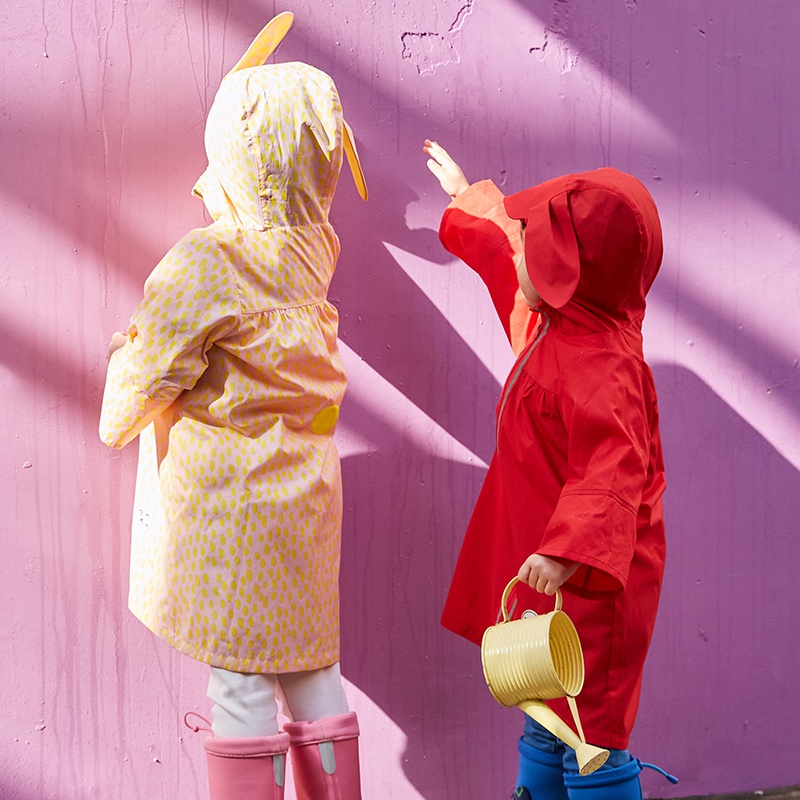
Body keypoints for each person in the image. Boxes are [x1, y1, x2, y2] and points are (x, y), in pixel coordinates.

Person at [99, 14, 367, 800]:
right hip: (305, 493)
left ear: (239, 157)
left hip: (230, 510)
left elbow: (146, 372)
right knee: (314, 666)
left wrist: (121, 386)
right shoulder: (314, 246)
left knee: (242, 687)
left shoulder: (211, 259)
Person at [423, 139, 677, 799]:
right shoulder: (556, 323)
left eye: (534, 250)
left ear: (571, 271)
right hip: (547, 574)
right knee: (544, 709)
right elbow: (504, 250)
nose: (518, 255)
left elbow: (610, 474)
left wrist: (569, 552)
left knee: (590, 734)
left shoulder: (604, 370)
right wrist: (464, 198)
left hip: (593, 583)